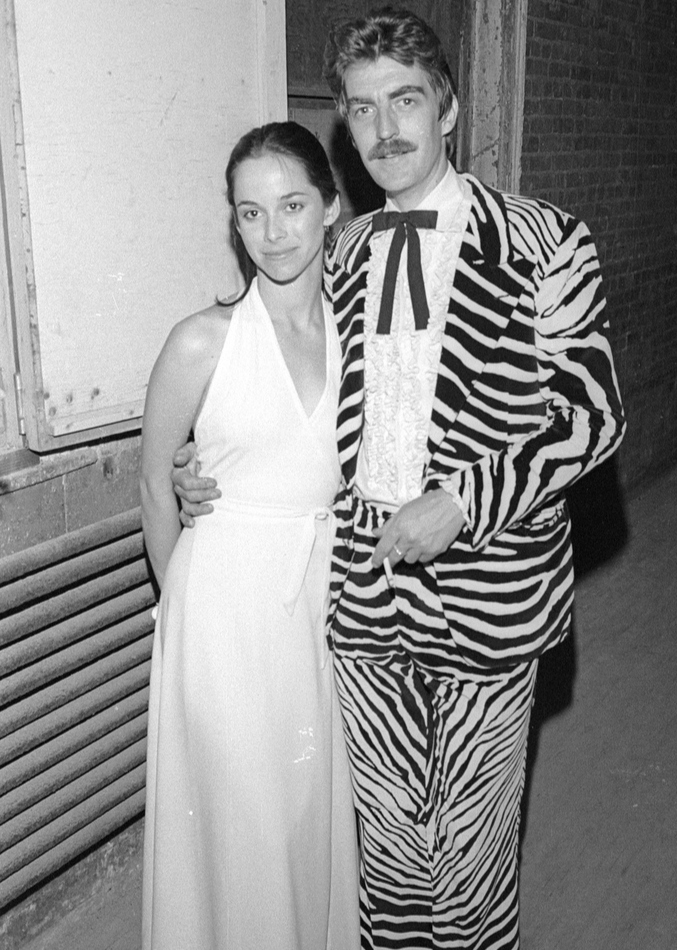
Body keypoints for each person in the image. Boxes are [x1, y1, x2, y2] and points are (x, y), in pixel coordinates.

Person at [175, 8, 626, 949]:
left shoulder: (547, 242)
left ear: (449, 108)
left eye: (407, 101)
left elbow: (592, 418)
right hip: (366, 603)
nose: (386, 130)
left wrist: (461, 505)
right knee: (384, 867)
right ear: (344, 122)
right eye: (365, 109)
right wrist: (202, 461)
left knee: (467, 868)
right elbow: (271, 371)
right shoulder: (339, 255)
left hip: (490, 597)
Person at [139, 121, 360, 950]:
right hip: (223, 614)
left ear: (331, 206)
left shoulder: (363, 342)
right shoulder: (203, 340)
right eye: (251, 213)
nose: (274, 233)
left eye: (293, 205)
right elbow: (154, 484)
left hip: (326, 607)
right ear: (234, 224)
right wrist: (180, 619)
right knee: (245, 828)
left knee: (308, 814)